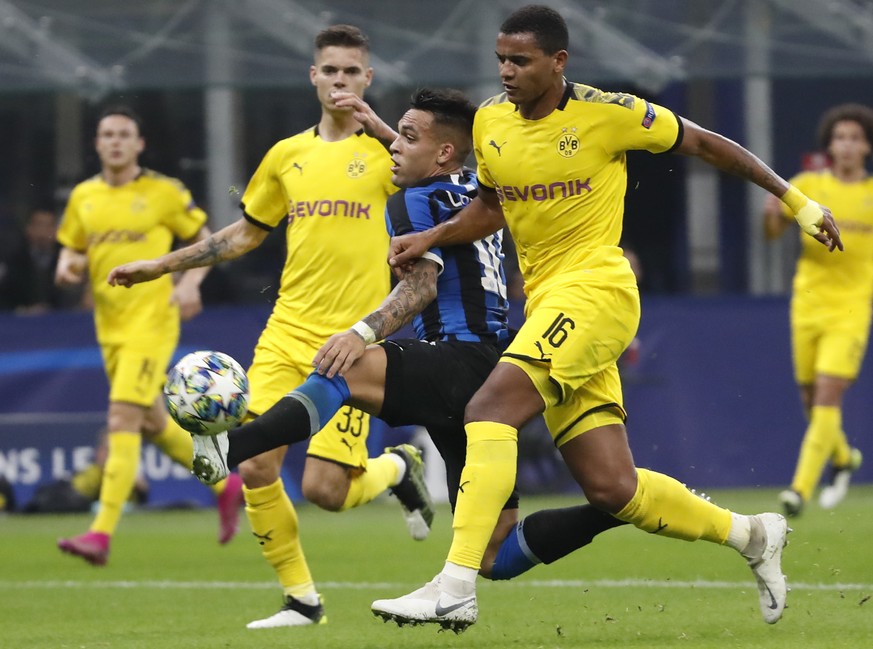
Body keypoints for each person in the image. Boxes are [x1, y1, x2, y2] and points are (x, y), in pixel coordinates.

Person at [376, 4, 843, 632]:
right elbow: (493, 207)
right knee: (612, 488)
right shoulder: (490, 122)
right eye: (501, 59)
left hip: (597, 292)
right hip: (547, 305)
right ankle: (754, 534)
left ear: (558, 62)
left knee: (489, 409)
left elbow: (707, 143)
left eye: (521, 60)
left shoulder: (609, 114)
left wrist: (796, 200)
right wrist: (432, 237)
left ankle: (455, 586)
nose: (507, 71)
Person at [180, 86, 627, 583]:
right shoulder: (489, 192)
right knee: (492, 557)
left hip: (457, 361)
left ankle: (229, 450)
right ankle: (617, 510)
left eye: (406, 137)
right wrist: (393, 132)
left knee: (343, 367)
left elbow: (419, 289)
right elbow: (441, 161)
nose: (393, 146)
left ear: (441, 152)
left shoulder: (412, 200)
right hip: (496, 369)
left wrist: (361, 332)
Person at [107, 25, 433, 629]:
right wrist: (161, 264)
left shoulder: (392, 156)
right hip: (286, 331)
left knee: (327, 492)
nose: (340, 81)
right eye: (330, 71)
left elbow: (440, 186)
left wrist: (383, 127)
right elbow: (246, 233)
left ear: (369, 79)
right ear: (313, 77)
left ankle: (396, 470)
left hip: (354, 342)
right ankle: (301, 600)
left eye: (351, 72)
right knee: (254, 462)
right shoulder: (287, 156)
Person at [54, 105, 244, 566]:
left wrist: (190, 284)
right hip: (110, 329)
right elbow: (70, 252)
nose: (115, 141)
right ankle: (228, 483)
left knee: (121, 417)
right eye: (107, 134)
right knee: (154, 425)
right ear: (97, 144)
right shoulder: (84, 196)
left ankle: (100, 533)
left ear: (138, 144)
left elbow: (207, 239)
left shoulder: (163, 192)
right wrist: (68, 266)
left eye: (124, 134)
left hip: (151, 324)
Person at [765, 103, 873, 517]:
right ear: (829, 145)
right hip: (807, 305)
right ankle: (844, 457)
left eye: (854, 138)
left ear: (865, 147)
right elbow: (771, 234)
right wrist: (771, 217)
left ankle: (799, 490)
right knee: (811, 400)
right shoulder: (806, 185)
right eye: (839, 137)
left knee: (829, 393)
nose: (845, 145)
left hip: (851, 310)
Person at [0, 208, 84, 313]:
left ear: (57, 230)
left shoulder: (67, 259)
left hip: (61, 320)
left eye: (48, 226)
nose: (43, 232)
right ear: (28, 229)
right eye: (38, 225)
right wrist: (21, 310)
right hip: (21, 321)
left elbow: (73, 294)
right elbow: (5, 295)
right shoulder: (13, 259)